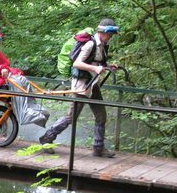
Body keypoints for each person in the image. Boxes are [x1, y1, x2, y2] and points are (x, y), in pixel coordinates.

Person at [39, 18, 120, 157]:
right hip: (82, 85)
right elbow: (77, 63)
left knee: (101, 116)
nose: (111, 36)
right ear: (102, 32)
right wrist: (95, 68)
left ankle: (98, 148)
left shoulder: (104, 45)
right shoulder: (90, 44)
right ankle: (46, 138)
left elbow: (97, 62)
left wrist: (108, 66)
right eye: (110, 33)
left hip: (93, 84)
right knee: (71, 118)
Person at [0, 26, 49, 127]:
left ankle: (31, 107)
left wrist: (13, 71)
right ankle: (23, 112)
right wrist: (1, 69)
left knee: (22, 80)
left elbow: (5, 65)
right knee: (17, 83)